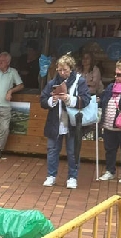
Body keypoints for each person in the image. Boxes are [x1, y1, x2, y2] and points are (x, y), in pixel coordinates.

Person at [40, 54, 91, 189]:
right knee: (52, 150)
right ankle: (51, 176)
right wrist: (52, 101)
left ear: (71, 69)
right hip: (55, 122)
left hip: (72, 123)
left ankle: (72, 178)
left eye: (65, 70)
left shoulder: (79, 81)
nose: (62, 73)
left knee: (73, 151)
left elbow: (86, 99)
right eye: (60, 70)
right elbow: (43, 100)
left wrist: (69, 99)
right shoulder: (52, 82)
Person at [98, 61, 121, 183]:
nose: (116, 77)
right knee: (110, 149)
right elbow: (103, 100)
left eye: (119, 74)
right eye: (115, 74)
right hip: (109, 125)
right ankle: (110, 171)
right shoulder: (110, 87)